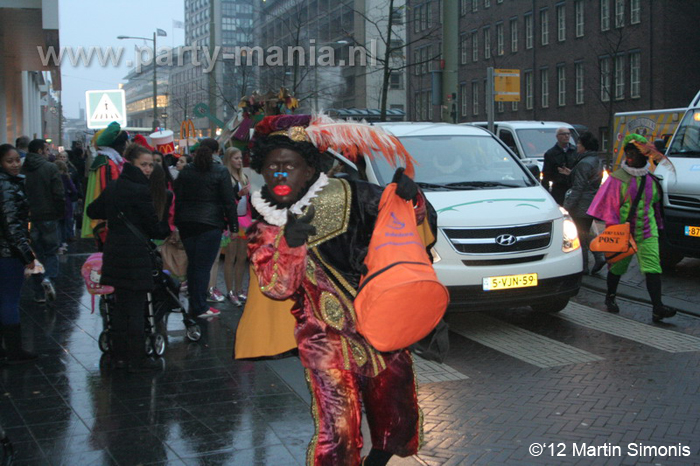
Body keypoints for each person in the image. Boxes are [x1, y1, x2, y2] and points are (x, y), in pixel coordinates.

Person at [241, 114, 429, 466]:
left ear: (310, 169)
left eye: (290, 165)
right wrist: (291, 244)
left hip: (380, 327)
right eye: (272, 166)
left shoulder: (353, 194)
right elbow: (277, 287)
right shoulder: (265, 225)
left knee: (396, 411)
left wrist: (411, 197)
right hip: (323, 340)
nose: (280, 174)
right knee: (338, 428)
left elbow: (404, 219)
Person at [86, 143, 170, 371]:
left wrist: (114, 215)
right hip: (135, 254)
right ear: (131, 163)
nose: (148, 169)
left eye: (151, 165)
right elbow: (154, 228)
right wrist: (166, 230)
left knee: (120, 307)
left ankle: (119, 355)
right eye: (144, 164)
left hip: (114, 252)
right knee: (135, 308)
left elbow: (92, 211)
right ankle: (136, 358)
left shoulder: (114, 187)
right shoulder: (141, 190)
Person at [587, 134, 677, 323]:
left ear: (645, 156)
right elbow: (607, 207)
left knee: (653, 268)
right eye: (627, 154)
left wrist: (658, 228)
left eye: (633, 154)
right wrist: (613, 231)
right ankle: (610, 297)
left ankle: (657, 308)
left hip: (647, 231)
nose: (629, 158)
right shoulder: (616, 180)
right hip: (622, 233)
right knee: (617, 266)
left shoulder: (652, 180)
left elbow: (655, 207)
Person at [174, 141, 237, 319]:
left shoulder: (186, 171)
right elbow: (228, 201)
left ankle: (195, 302)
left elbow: (178, 198)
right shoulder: (221, 171)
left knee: (193, 265)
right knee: (203, 267)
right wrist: (233, 226)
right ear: (216, 152)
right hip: (210, 223)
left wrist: (177, 222)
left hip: (187, 223)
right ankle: (200, 306)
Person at [0, 144, 39, 363]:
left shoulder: (9, 184)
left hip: (6, 250)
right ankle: (14, 351)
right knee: (9, 300)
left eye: (17, 160)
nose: (15, 165)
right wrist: (27, 256)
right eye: (9, 161)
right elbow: (12, 226)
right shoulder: (7, 187)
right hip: (8, 253)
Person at [21, 139, 64, 303]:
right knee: (51, 251)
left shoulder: (22, 168)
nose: (48, 153)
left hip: (29, 217)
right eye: (46, 150)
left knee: (34, 255)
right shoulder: (50, 168)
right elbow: (58, 194)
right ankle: (49, 279)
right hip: (48, 216)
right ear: (39, 151)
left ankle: (38, 293)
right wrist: (59, 213)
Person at [562, 132, 605, 275]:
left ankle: (584, 266)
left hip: (581, 204)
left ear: (585, 146)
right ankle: (598, 257)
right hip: (592, 202)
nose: (577, 146)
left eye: (579, 144)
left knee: (580, 237)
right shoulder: (596, 160)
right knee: (586, 233)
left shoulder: (584, 162)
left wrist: (566, 207)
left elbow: (578, 187)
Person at [81, 121, 129, 238]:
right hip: (107, 222)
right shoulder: (108, 164)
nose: (125, 147)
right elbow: (110, 192)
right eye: (123, 144)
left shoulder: (105, 161)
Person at [222, 147, 251, 306]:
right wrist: (238, 195)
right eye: (236, 158)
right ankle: (230, 290)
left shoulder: (244, 177)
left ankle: (239, 289)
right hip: (231, 221)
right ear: (228, 160)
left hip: (245, 220)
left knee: (241, 258)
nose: (239, 161)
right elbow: (226, 201)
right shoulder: (225, 177)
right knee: (230, 258)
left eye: (240, 158)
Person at [542, 127, 577, 205]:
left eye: (568, 134)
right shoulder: (550, 153)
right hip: (559, 189)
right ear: (557, 136)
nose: (567, 136)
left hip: (574, 188)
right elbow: (546, 174)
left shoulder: (575, 151)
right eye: (564, 134)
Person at [54, 160, 79, 252]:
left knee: (57, 224)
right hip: (66, 203)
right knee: (65, 223)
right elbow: (74, 190)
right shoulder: (65, 177)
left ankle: (59, 243)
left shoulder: (52, 177)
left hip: (55, 204)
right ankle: (63, 241)